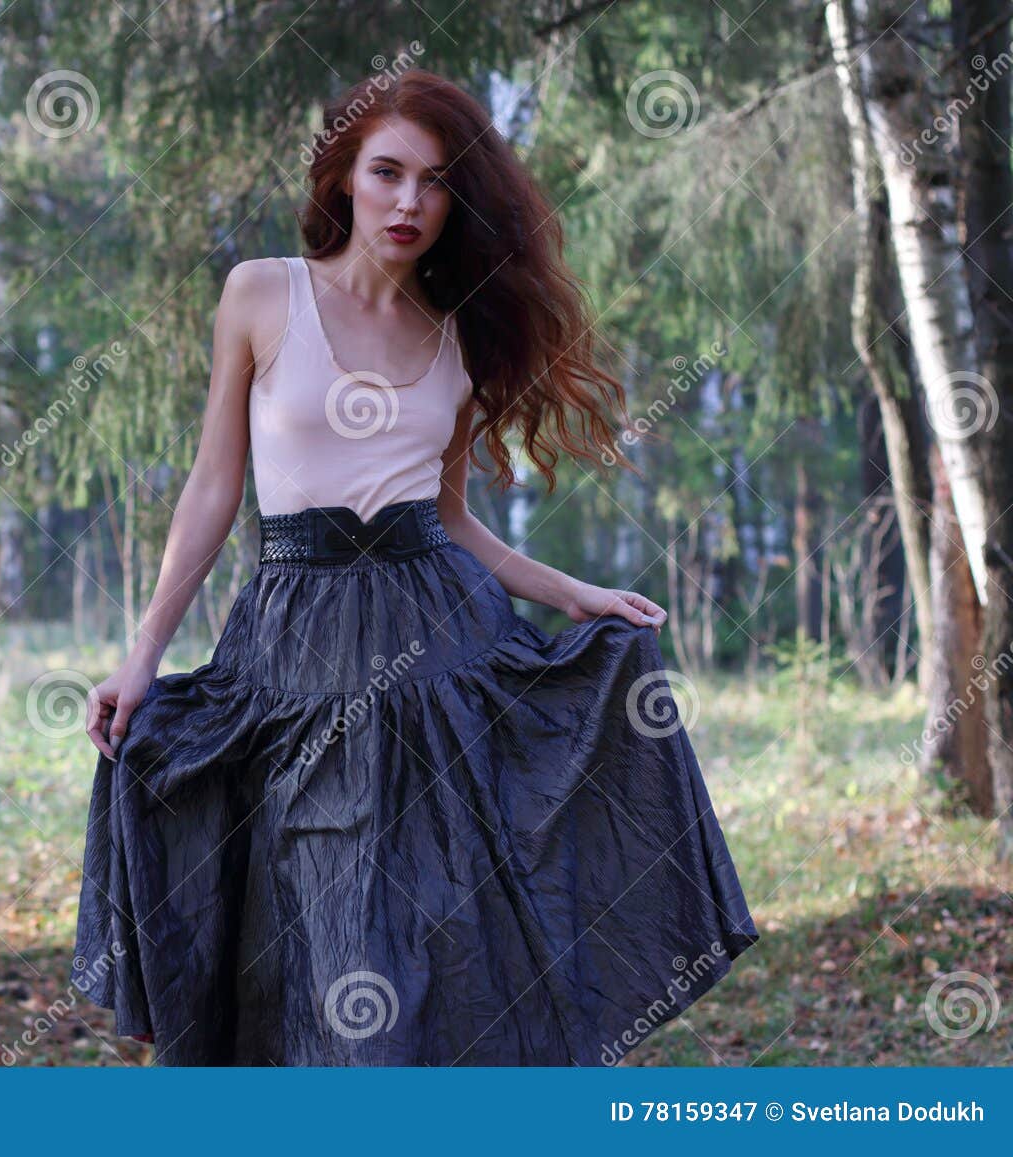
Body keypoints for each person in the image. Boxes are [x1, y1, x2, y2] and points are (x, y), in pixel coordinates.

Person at [69, 68, 758, 1066]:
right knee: (320, 919)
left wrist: (573, 593)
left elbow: (451, 521)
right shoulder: (262, 294)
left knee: (441, 934)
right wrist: (142, 654)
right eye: (386, 172)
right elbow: (214, 489)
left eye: (433, 182)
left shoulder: (453, 341)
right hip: (294, 648)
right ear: (343, 178)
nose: (407, 202)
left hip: (437, 646)